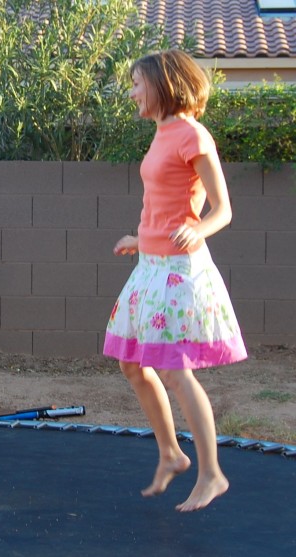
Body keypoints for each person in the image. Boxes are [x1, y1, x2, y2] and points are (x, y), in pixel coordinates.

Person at [103, 49, 247, 512]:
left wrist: (198, 228)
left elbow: (222, 209)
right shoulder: (162, 134)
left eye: (137, 83)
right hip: (150, 265)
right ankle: (170, 453)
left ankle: (212, 474)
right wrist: (140, 238)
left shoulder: (192, 134)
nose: (131, 92)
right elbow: (163, 204)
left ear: (163, 85)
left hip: (179, 273)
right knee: (131, 363)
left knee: (175, 371)